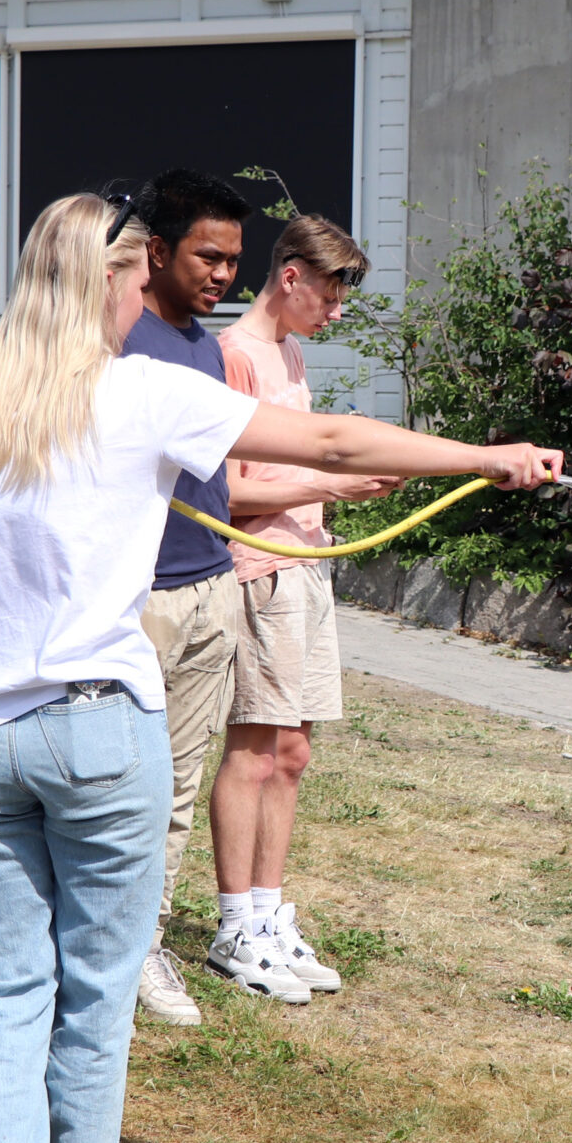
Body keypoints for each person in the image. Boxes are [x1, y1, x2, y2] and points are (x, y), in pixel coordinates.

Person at [0, 192, 560, 1143]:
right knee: (95, 992)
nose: (141, 300)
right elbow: (332, 442)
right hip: (99, 730)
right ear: (109, 281)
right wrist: (485, 459)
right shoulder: (142, 392)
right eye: (133, 282)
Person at [207, 216, 395, 1000]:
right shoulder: (231, 355)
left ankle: (268, 915)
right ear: (290, 276)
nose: (336, 311)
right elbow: (223, 491)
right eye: (330, 294)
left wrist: (338, 488)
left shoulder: (289, 352)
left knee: (293, 754)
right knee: (253, 751)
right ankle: (233, 928)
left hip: (308, 567)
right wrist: (328, 483)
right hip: (262, 572)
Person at [116, 169, 264, 1023]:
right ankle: (89, 939)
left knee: (175, 786)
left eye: (234, 259)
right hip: (137, 598)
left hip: (212, 585)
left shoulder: (207, 348)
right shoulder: (117, 336)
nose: (223, 274)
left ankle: (145, 944)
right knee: (114, 783)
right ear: (158, 250)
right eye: (209, 256)